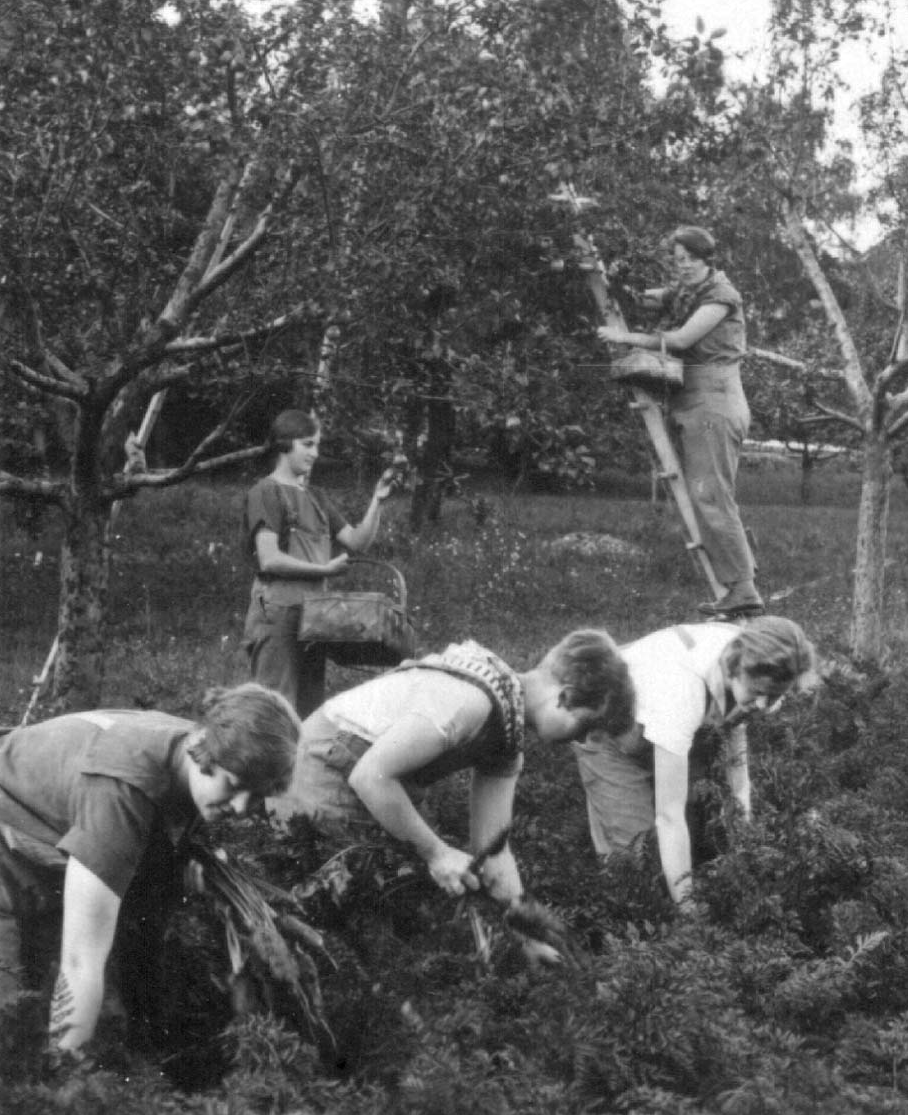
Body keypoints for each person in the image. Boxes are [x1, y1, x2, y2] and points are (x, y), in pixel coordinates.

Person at [0, 684, 301, 1057]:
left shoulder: (195, 752)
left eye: (257, 796)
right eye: (234, 785)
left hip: (39, 845)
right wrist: (74, 1086)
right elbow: (80, 961)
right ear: (204, 751)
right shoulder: (123, 788)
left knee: (79, 1025)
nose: (242, 807)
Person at [274, 631, 635, 936]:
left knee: (384, 911)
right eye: (587, 726)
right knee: (337, 914)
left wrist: (529, 933)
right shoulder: (469, 701)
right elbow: (370, 776)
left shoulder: (507, 738)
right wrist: (437, 853)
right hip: (321, 767)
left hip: (367, 782)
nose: (582, 739)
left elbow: (494, 851)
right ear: (564, 697)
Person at [573, 615, 817, 910]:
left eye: (775, 696)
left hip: (663, 715)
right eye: (758, 694)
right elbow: (670, 817)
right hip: (607, 722)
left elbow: (738, 780)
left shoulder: (757, 654)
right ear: (734, 668)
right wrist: (689, 912)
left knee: (701, 833)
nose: (765, 706)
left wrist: (747, 850)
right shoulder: (680, 691)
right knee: (637, 861)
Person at [596, 225, 763, 618]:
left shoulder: (721, 296)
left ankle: (743, 589)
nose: (684, 265)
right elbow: (651, 298)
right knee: (704, 495)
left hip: (714, 402)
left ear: (708, 259)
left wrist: (627, 338)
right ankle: (740, 581)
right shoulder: (689, 292)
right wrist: (618, 282)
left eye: (691, 258)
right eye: (678, 259)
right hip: (694, 400)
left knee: (712, 497)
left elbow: (684, 339)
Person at [242, 409, 404, 715]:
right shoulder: (265, 492)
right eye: (307, 444)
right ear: (284, 444)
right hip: (276, 611)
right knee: (274, 709)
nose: (315, 453)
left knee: (309, 710)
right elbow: (269, 559)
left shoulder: (316, 497)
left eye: (316, 445)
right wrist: (324, 570)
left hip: (314, 616)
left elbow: (356, 541)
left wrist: (378, 500)